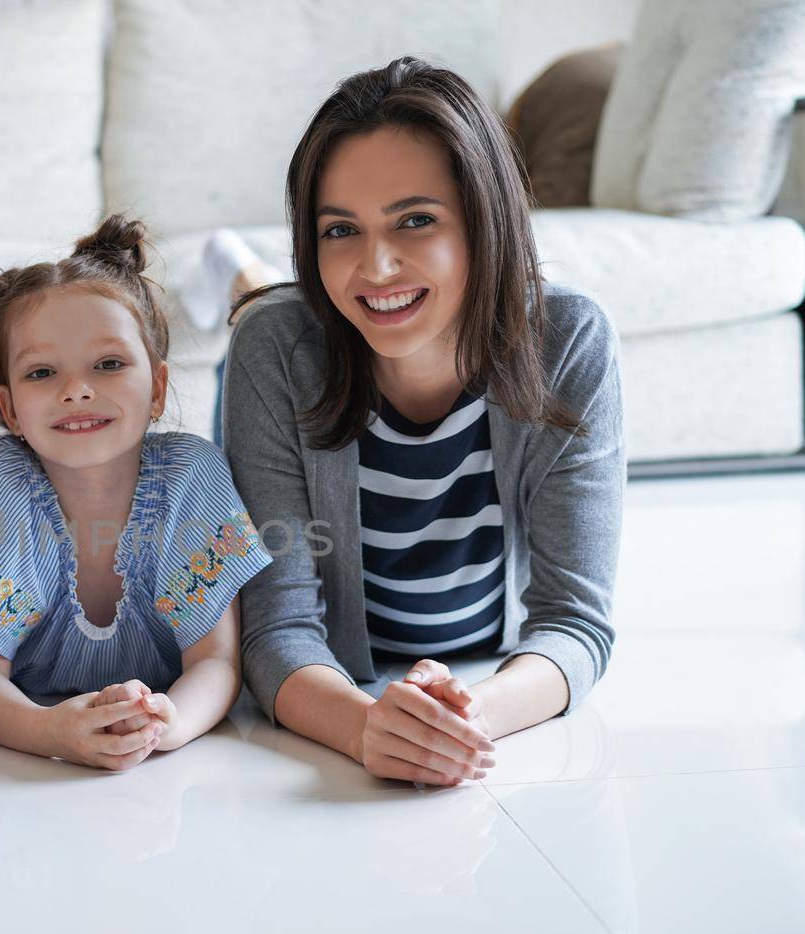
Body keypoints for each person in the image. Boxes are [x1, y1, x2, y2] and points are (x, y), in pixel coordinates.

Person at [222, 58, 624, 787]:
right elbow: (274, 629)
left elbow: (576, 622)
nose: (376, 263)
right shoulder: (273, 351)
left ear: (484, 220)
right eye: (340, 229)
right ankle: (236, 272)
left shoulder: (571, 341)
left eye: (416, 220)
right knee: (262, 310)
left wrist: (464, 713)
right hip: (287, 327)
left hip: (471, 656)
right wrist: (366, 726)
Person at [0, 216, 272, 771]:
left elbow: (215, 662)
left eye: (109, 364)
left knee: (271, 318)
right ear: (10, 409)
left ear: (158, 388)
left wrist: (169, 722)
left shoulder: (192, 473)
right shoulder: (1, 484)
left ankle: (240, 273)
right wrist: (52, 731)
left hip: (155, 710)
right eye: (42, 372)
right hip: (44, 727)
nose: (78, 390)